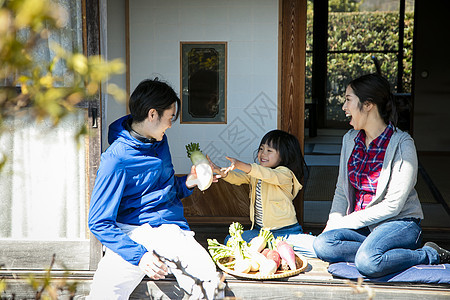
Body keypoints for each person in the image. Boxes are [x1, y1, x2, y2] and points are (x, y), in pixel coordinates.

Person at [87, 79, 221, 299]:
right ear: (152, 115)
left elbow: (164, 190)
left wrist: (188, 183)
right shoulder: (116, 159)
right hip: (131, 232)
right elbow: (98, 222)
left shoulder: (159, 141)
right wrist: (139, 256)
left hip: (171, 229)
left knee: (209, 283)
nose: (170, 124)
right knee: (104, 293)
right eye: (170, 117)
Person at [313, 73, 450, 278]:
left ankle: (428, 254)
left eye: (348, 100)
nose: (344, 107)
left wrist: (345, 223)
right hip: (363, 227)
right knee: (322, 245)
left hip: (399, 223)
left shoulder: (403, 144)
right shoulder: (349, 140)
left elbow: (393, 205)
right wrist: (331, 225)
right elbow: (342, 190)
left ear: (368, 104)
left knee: (368, 262)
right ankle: (382, 253)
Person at [209, 129, 317, 258]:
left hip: (287, 232)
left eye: (269, 151)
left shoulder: (285, 174)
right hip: (260, 231)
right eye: (261, 149)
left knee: (316, 249)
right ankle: (275, 247)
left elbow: (267, 174)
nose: (262, 154)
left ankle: (277, 246)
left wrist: (240, 164)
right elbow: (238, 178)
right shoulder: (256, 173)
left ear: (284, 155)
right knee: (230, 240)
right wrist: (221, 172)